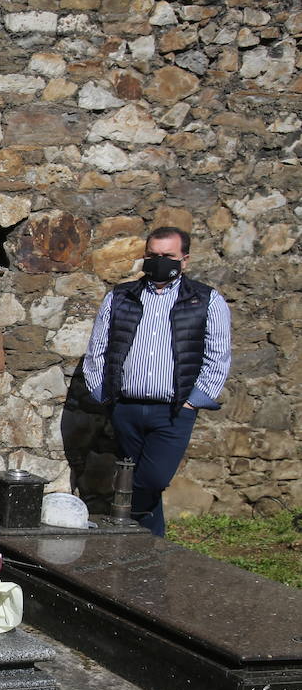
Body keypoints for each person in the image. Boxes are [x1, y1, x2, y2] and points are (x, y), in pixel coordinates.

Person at [82, 226, 231, 536]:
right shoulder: (121, 296)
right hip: (126, 408)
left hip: (174, 411)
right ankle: (151, 545)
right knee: (134, 478)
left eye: (167, 256)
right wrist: (102, 392)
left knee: (151, 481)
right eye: (153, 256)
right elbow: (99, 347)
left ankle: (124, 531)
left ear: (184, 260)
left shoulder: (205, 300)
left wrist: (195, 400)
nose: (159, 261)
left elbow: (218, 355)